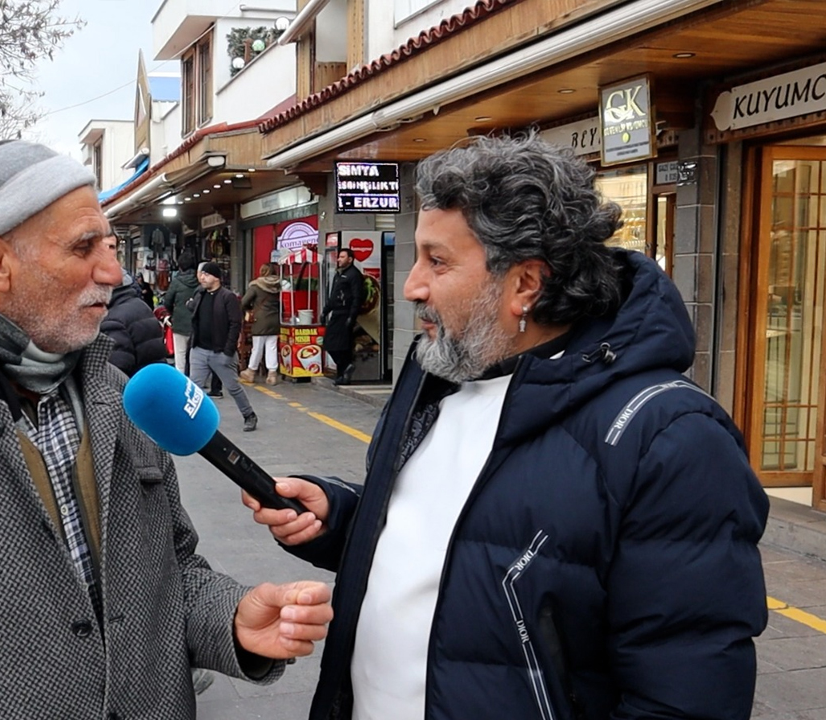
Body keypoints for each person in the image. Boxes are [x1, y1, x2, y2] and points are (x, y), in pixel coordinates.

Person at [0, 140, 332, 719]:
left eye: (110, 245)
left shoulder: (125, 396)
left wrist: (231, 618)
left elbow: (173, 572)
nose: (113, 272)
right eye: (83, 247)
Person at [244, 135, 769, 720]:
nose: (412, 286)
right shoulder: (434, 375)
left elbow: (684, 695)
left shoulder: (671, 438)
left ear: (525, 284)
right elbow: (466, 544)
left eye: (437, 261)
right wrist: (343, 516)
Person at [187, 262, 257, 432]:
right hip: (199, 350)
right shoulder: (200, 294)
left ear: (216, 278)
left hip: (220, 352)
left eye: (207, 275)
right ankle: (189, 421)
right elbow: (194, 311)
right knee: (193, 389)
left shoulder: (227, 297)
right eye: (202, 274)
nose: (202, 277)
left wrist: (228, 350)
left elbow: (235, 324)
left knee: (233, 387)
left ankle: (249, 415)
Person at [101, 265, 169, 377]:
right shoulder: (139, 304)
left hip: (135, 382)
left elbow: (116, 372)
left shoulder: (113, 320)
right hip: (152, 378)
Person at [323, 247, 363, 385]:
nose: (339, 259)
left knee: (339, 345)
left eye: (342, 257)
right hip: (336, 313)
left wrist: (352, 316)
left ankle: (345, 370)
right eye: (339, 257)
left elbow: (357, 297)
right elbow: (333, 296)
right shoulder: (339, 274)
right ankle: (344, 371)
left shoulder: (354, 275)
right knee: (329, 344)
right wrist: (325, 311)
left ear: (350, 259)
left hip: (345, 313)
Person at [240, 262, 281, 385]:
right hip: (274, 320)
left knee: (257, 347)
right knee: (272, 347)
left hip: (260, 320)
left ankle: (251, 371)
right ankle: (272, 374)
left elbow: (244, 302)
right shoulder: (278, 285)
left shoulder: (256, 286)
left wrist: (249, 309)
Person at [160, 247, 199, 374]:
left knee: (180, 356)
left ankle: (181, 381)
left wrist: (173, 313)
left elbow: (167, 301)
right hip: (197, 324)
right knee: (195, 357)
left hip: (180, 323)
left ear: (180, 266)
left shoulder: (176, 282)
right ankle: (194, 379)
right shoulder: (200, 281)